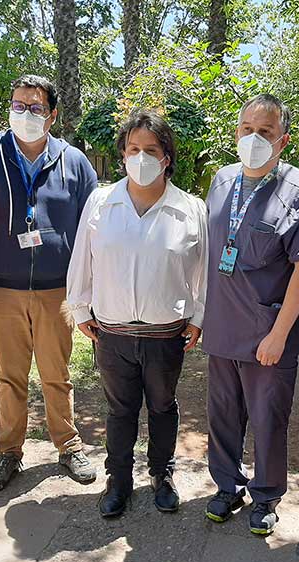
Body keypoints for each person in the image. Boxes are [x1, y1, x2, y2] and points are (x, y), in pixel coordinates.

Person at [0, 74, 98, 490]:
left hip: (58, 292)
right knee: (10, 376)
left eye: (35, 107)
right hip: (3, 289)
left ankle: (68, 445)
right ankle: (8, 452)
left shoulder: (74, 161)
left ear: (52, 115)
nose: (25, 114)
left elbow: (92, 225)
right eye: (18, 105)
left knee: (57, 373)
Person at [67, 110, 208, 517]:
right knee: (120, 409)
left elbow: (203, 269)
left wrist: (198, 316)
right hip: (112, 332)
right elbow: (83, 259)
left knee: (163, 407)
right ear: (122, 154)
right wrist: (79, 307)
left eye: (151, 150)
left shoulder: (189, 208)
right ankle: (119, 480)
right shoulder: (101, 201)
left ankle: (162, 475)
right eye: (133, 149)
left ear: (167, 158)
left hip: (167, 333)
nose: (141, 157)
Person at [201, 93, 299, 536]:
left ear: (282, 140)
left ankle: (267, 496)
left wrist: (279, 334)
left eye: (265, 132)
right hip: (222, 326)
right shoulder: (222, 180)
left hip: (269, 330)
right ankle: (227, 486)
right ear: (236, 133)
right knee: (223, 414)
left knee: (268, 420)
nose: (254, 138)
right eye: (247, 129)